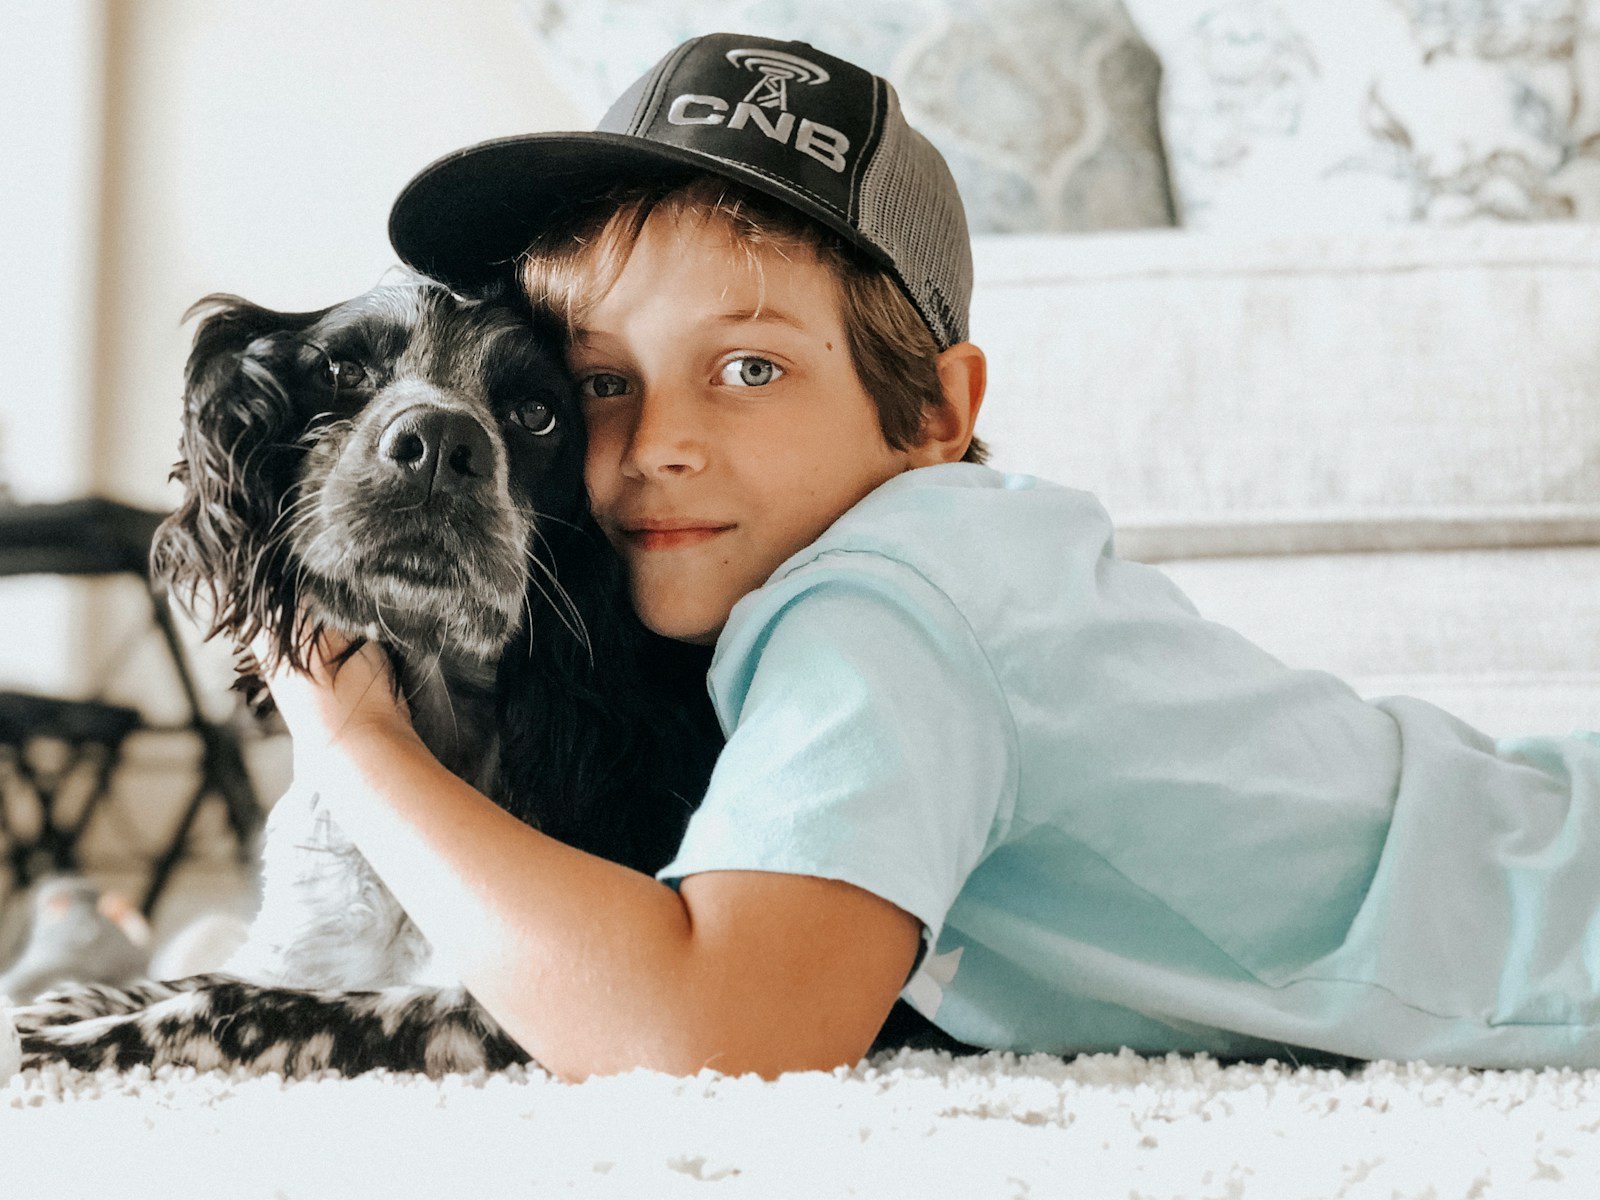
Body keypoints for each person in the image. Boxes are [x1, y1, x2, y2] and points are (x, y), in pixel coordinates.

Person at [256, 32, 1600, 1083]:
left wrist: (357, 744)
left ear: (934, 414)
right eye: (605, 382)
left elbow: (712, 1029)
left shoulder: (884, 607)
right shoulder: (949, 563)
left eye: (748, 367)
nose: (659, 444)